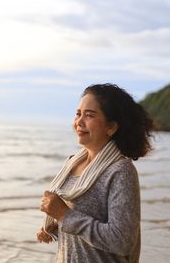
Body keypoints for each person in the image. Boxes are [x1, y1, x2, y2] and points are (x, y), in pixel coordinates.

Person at [37, 83, 153, 263]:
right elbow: (82, 228)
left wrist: (65, 215)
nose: (79, 122)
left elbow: (122, 241)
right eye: (78, 114)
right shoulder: (72, 163)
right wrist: (57, 227)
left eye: (89, 115)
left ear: (111, 127)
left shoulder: (120, 171)